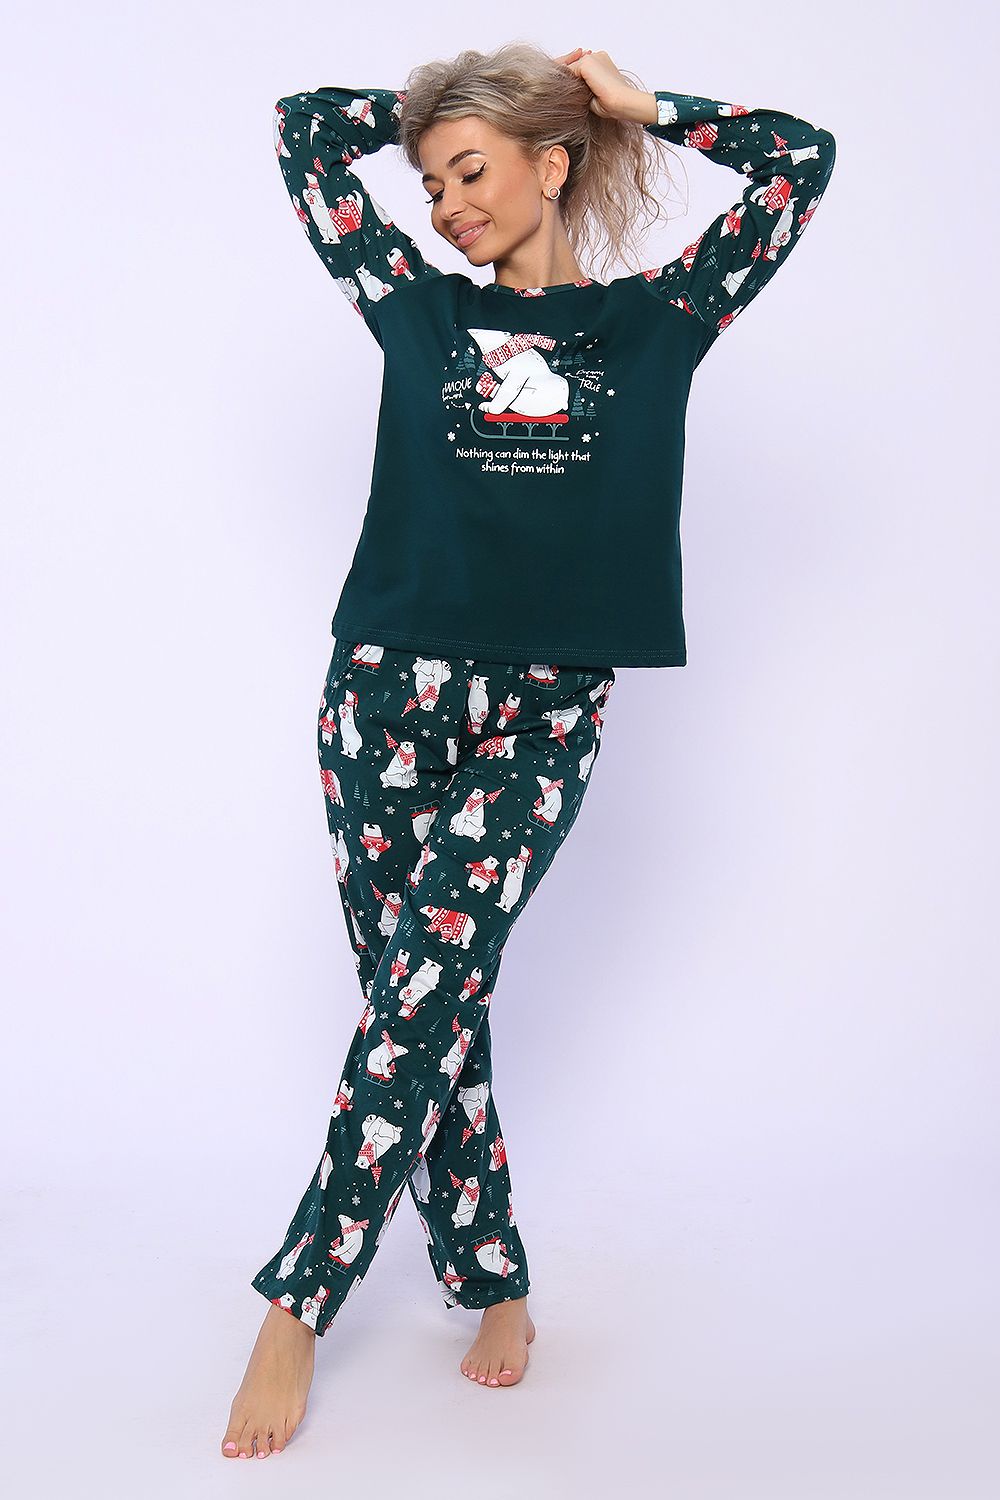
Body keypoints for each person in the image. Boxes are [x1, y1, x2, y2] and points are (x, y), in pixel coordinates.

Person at [221, 42, 837, 1458]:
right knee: (425, 1002)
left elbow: (801, 162)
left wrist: (638, 109)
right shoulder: (413, 307)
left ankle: (298, 1300)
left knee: (422, 991)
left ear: (551, 165)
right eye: (432, 185)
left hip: (548, 706)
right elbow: (301, 132)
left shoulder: (659, 322)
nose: (447, 205)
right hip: (382, 692)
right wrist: (434, 109)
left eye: (472, 172)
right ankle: (492, 1275)